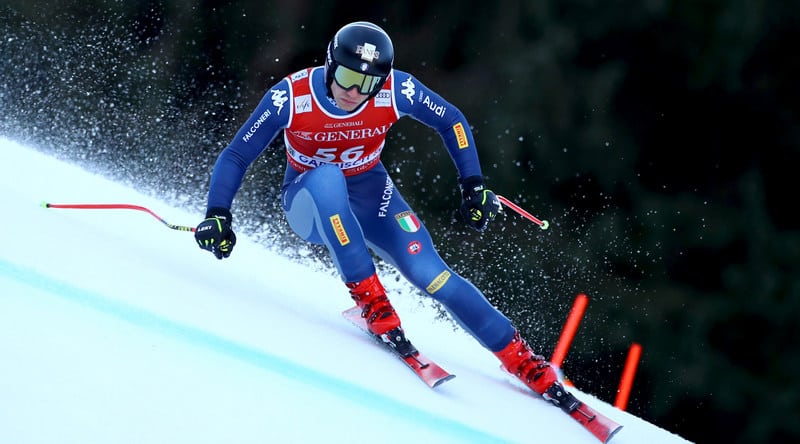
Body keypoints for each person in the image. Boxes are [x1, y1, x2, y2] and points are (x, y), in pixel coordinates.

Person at [195, 21, 578, 411]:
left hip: (371, 193)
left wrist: (473, 185)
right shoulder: (291, 97)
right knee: (328, 177)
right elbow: (237, 155)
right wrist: (218, 214)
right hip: (309, 203)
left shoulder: (397, 89)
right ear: (329, 65)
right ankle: (372, 301)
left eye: (367, 84)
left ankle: (521, 359)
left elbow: (452, 121)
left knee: (432, 273)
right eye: (346, 78)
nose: (353, 92)